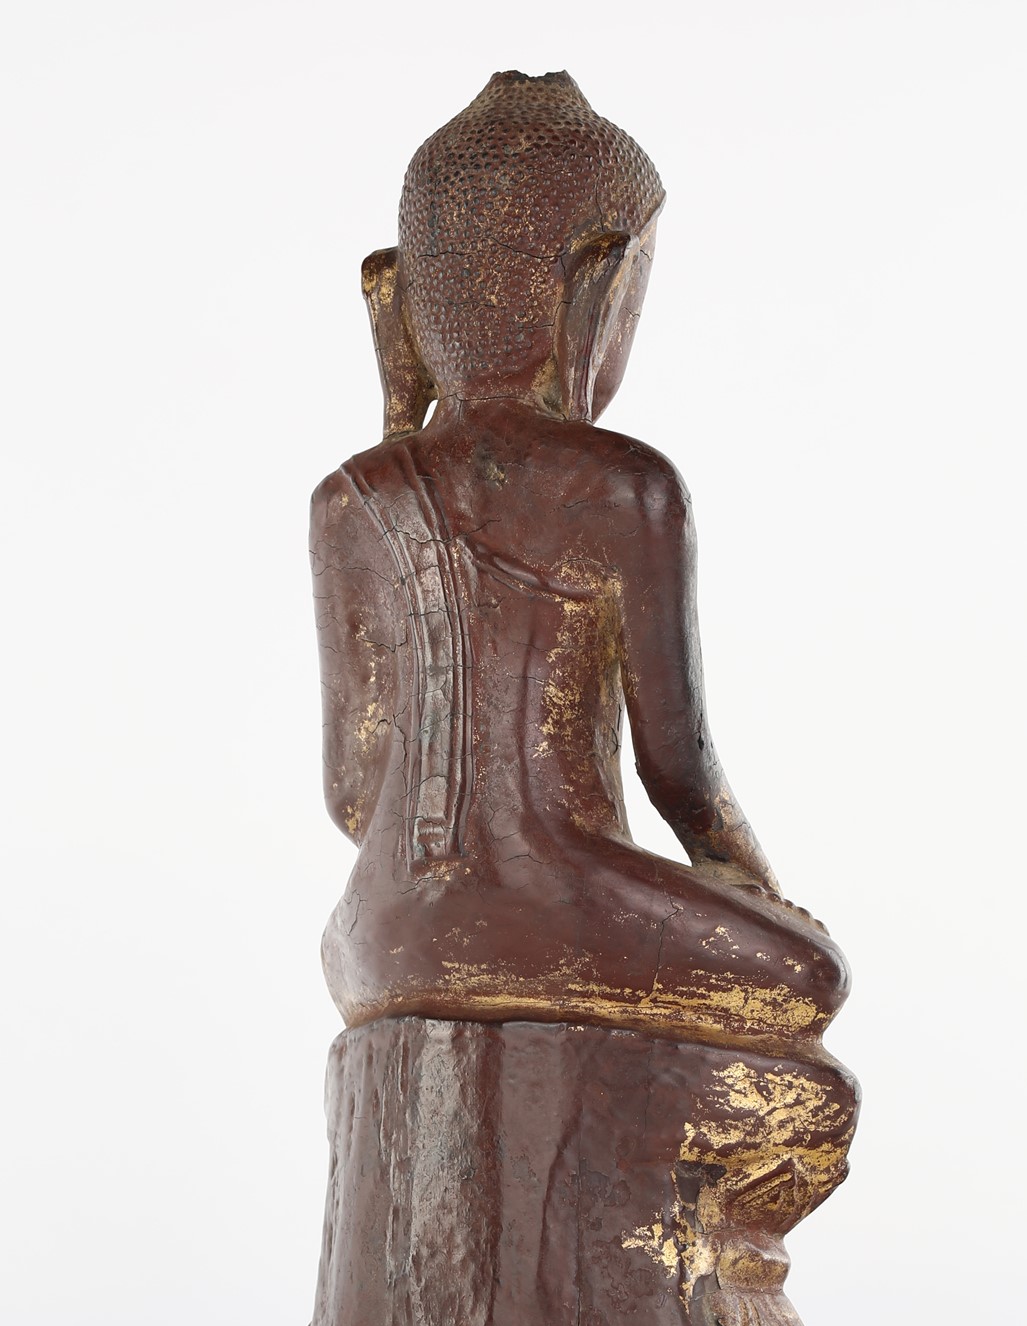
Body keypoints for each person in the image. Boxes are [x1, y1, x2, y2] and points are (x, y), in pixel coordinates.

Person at [311, 69, 848, 1058]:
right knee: (812, 977)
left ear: (398, 296)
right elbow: (678, 772)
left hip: (372, 936)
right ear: (601, 284)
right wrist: (752, 892)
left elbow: (352, 792)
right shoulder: (619, 486)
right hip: (554, 896)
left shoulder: (350, 500)